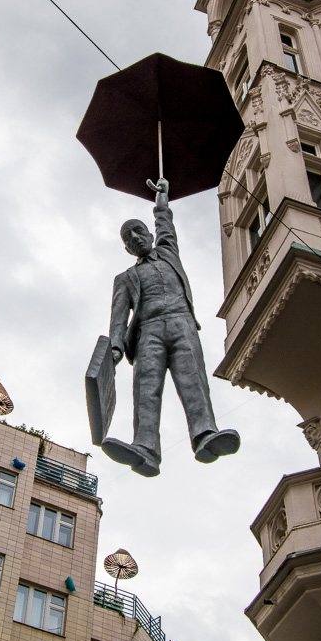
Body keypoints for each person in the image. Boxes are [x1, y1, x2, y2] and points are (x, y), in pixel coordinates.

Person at [101, 178, 240, 477]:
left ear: (150, 235)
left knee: (193, 382)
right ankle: (145, 448)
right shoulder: (124, 279)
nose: (135, 237)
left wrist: (161, 202)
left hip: (182, 324)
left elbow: (166, 226)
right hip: (147, 332)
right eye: (129, 236)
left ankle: (205, 435)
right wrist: (114, 347)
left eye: (139, 230)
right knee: (146, 389)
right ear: (126, 248)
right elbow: (118, 318)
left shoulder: (167, 252)